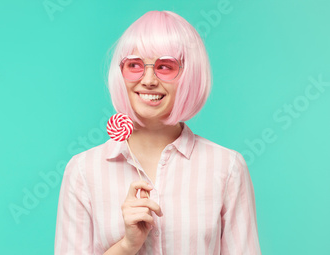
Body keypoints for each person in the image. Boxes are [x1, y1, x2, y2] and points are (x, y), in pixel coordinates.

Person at [54, 10, 261, 255]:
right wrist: (127, 245)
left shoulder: (227, 167)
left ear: (189, 75)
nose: (149, 80)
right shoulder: (82, 171)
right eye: (135, 65)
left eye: (165, 67)